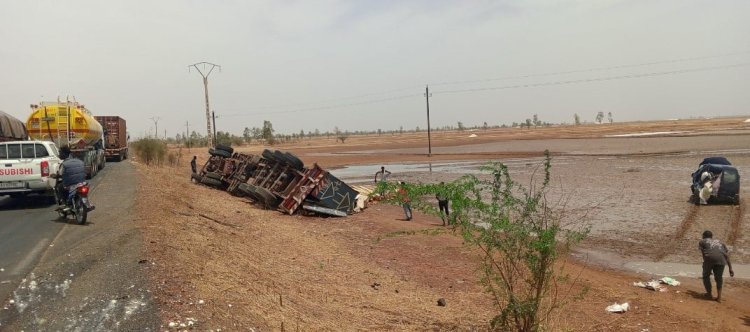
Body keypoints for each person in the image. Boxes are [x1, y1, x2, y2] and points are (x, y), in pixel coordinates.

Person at [699, 230, 734, 302]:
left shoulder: (702, 241)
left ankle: (709, 294)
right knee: (719, 278)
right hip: (721, 260)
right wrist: (730, 268)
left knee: (706, 276)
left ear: (704, 236)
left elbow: (704, 254)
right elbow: (726, 255)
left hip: (709, 259)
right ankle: (719, 297)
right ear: (712, 237)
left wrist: (706, 266)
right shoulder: (720, 242)